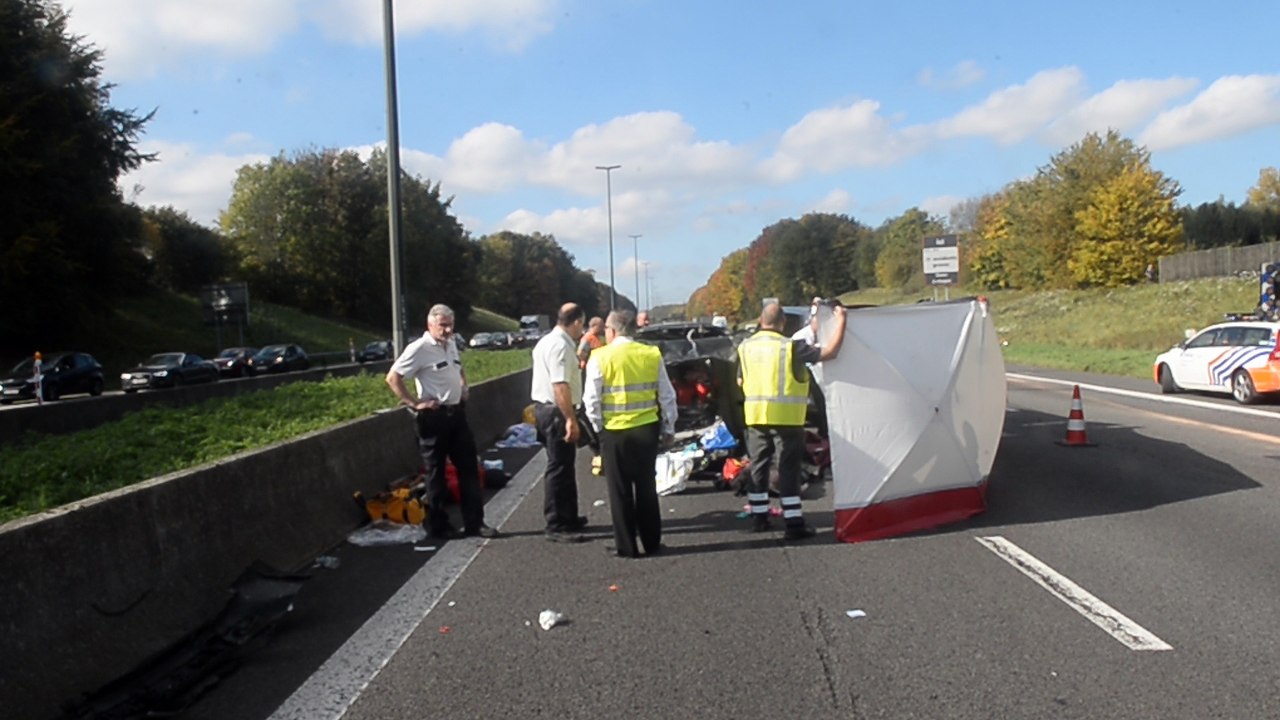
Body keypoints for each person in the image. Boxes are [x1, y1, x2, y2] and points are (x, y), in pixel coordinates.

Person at [385, 304, 498, 541]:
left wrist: (463, 386)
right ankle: (438, 526)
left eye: (450, 325)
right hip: (434, 419)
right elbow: (392, 378)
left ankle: (475, 523)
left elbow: (459, 368)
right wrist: (415, 403)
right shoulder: (419, 348)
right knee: (435, 474)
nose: (447, 330)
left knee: (469, 469)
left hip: (457, 415)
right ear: (430, 325)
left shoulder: (451, 344)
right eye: (442, 325)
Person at [738, 301, 846, 540]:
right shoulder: (790, 347)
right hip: (787, 420)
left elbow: (740, 381)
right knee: (788, 470)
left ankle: (759, 518)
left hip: (755, 417)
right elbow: (830, 353)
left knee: (758, 467)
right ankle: (794, 523)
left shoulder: (745, 347)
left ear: (760, 320)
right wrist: (841, 322)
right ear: (783, 323)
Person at [583, 310, 677, 558]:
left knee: (619, 490)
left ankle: (627, 546)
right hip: (647, 428)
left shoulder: (600, 356)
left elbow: (591, 400)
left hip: (615, 432)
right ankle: (652, 542)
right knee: (646, 487)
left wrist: (598, 429)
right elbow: (667, 395)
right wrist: (669, 428)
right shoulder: (650, 354)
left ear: (612, 331)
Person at [532, 303, 589, 543]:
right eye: (582, 324)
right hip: (557, 412)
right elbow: (560, 385)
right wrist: (570, 419)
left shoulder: (547, 341)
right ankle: (556, 523)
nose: (582, 329)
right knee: (558, 467)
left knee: (565, 466)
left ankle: (568, 516)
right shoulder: (560, 346)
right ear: (576, 322)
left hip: (548, 410)